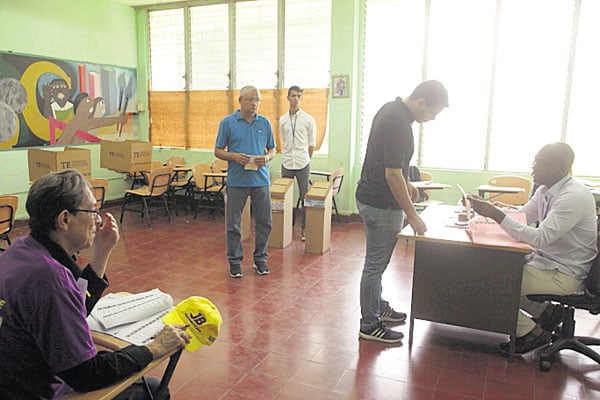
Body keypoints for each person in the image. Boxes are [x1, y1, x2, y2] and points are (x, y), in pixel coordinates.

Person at [0, 169, 190, 399]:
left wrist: (102, 252)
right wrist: (155, 347)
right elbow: (86, 374)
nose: (98, 219)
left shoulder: (21, 250)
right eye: (92, 210)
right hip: (36, 390)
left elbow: (74, 308)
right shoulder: (51, 279)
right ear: (64, 219)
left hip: (14, 381)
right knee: (153, 390)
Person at [469, 142, 597, 354]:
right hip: (548, 263)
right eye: (535, 161)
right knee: (501, 272)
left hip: (566, 274)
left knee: (492, 281)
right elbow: (523, 217)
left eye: (541, 163)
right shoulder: (546, 191)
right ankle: (547, 313)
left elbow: (540, 238)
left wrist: (495, 215)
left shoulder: (572, 196)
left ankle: (530, 333)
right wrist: (487, 214)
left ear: (560, 168)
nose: (533, 168)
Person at [356, 80, 449, 343]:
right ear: (421, 102)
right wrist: (412, 214)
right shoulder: (399, 123)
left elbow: (388, 162)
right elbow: (392, 173)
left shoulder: (392, 110)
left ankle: (378, 307)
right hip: (381, 205)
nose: (431, 119)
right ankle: (369, 324)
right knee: (375, 266)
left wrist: (407, 183)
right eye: (433, 113)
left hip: (372, 197)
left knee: (377, 263)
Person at [215, 85, 276, 278]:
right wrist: (233, 156)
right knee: (233, 224)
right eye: (250, 99)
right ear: (240, 100)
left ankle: (260, 259)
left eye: (257, 100)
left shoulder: (264, 123)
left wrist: (266, 158)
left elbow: (273, 149)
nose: (254, 104)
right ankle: (234, 262)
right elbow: (217, 150)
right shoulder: (228, 123)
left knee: (265, 222)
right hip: (236, 181)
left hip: (261, 180)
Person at [279, 85, 316, 241]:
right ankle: (285, 228)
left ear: (301, 99)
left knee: (304, 197)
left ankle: (305, 229)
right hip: (287, 162)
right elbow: (283, 139)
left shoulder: (308, 119)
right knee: (284, 196)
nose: (295, 98)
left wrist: (306, 158)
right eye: (292, 95)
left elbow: (312, 144)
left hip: (302, 163)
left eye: (298, 96)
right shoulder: (282, 119)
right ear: (287, 97)